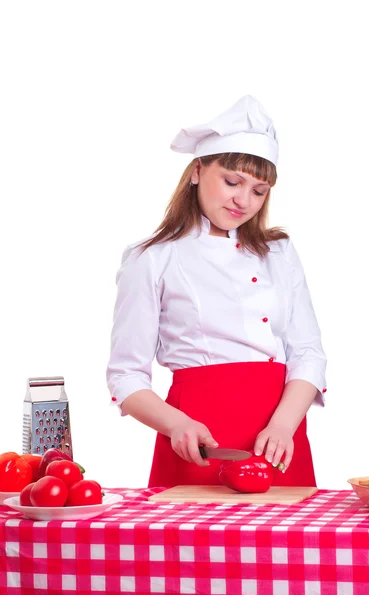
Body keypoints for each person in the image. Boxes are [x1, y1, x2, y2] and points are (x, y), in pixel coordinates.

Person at [106, 95, 327, 488]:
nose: (244, 201)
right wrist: (177, 424)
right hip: (198, 440)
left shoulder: (280, 253)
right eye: (232, 181)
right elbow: (126, 376)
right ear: (196, 171)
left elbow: (308, 353)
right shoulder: (151, 259)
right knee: (193, 550)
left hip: (279, 440)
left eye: (259, 191)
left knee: (289, 548)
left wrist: (282, 426)